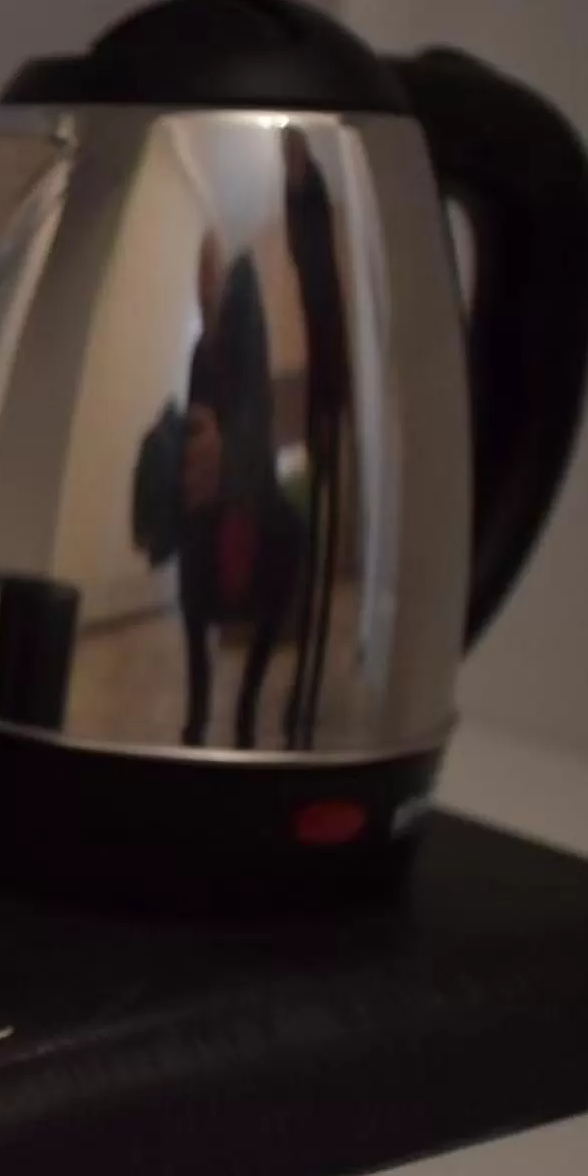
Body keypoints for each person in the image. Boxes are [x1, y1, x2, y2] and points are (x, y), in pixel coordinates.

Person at [176, 233, 296, 750]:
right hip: (208, 495)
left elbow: (257, 409)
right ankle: (198, 708)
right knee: (190, 559)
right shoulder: (201, 353)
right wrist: (196, 435)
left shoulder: (247, 332)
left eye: (212, 272)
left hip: (250, 484)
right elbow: (194, 418)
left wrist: (230, 446)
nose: (206, 284)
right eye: (198, 274)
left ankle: (248, 700)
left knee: (291, 536)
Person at [279, 127, 352, 748]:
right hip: (324, 390)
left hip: (333, 387)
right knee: (306, 522)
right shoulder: (297, 224)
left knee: (319, 520)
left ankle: (312, 661)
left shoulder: (315, 219)